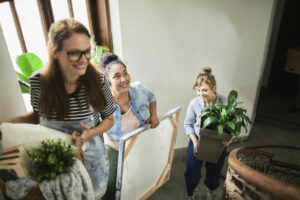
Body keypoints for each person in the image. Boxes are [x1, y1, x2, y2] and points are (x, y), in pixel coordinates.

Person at [0, 18, 115, 199]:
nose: (84, 59)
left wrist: (88, 134)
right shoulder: (38, 81)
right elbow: (38, 116)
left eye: (87, 51)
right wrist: (9, 123)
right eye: (75, 53)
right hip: (53, 161)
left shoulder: (98, 80)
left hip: (91, 161)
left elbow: (109, 119)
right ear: (55, 52)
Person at [100, 53, 160, 199]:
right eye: (117, 76)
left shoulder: (138, 89)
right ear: (107, 82)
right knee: (111, 183)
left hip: (136, 144)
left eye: (125, 73)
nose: (124, 79)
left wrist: (153, 115)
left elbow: (152, 97)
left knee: (135, 178)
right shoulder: (102, 102)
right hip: (114, 147)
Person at [183, 67, 231, 200]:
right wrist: (194, 141)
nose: (201, 93)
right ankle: (191, 193)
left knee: (215, 171)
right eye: (198, 90)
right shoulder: (194, 104)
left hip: (218, 141)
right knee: (191, 171)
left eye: (204, 90)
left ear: (213, 88)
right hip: (197, 139)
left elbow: (231, 125)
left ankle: (210, 192)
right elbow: (188, 124)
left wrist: (229, 139)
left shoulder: (225, 102)